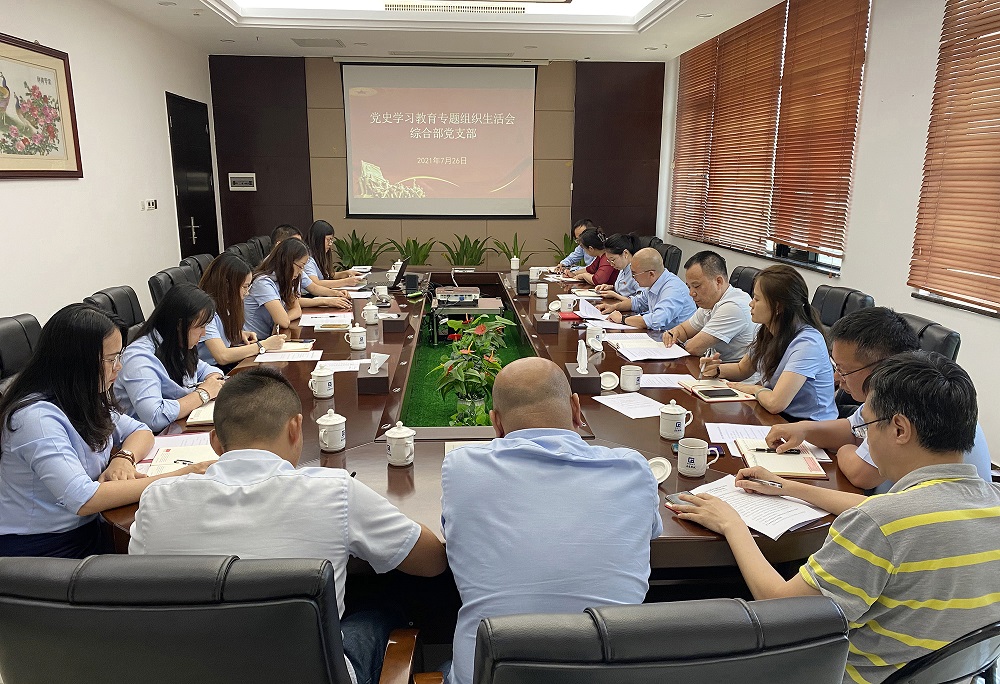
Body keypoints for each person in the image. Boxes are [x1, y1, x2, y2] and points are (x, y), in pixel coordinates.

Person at [671, 352, 1000, 684]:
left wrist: (731, 523)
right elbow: (880, 509)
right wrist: (788, 487)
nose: (863, 438)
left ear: (899, 429)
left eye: (865, 426)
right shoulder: (986, 502)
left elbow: (781, 608)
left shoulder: (880, 524)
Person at [130, 366, 447, 684]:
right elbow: (432, 561)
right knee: (383, 606)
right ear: (296, 428)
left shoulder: (156, 501)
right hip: (310, 674)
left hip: (191, 671)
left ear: (215, 442)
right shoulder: (334, 492)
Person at [442, 357, 662, 684]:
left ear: (496, 423)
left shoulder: (461, 469)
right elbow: (651, 531)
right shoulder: (632, 469)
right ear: (576, 408)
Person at [0, 304, 209, 558]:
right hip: (43, 548)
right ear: (77, 361)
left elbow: (140, 431)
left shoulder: (81, 395)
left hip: (92, 525)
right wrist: (178, 476)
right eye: (111, 359)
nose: (118, 367)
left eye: (119, 356)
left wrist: (124, 458)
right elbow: (83, 498)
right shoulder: (35, 418)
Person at [764, 307, 991, 491]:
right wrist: (804, 429)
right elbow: (852, 429)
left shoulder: (909, 402)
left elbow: (861, 474)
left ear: (879, 368)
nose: (836, 378)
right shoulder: (888, 394)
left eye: (843, 370)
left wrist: (845, 449)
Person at [701, 265, 836, 421]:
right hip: (777, 417)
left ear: (778, 306)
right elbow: (742, 369)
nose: (751, 304)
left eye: (757, 299)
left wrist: (755, 389)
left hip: (810, 426)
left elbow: (775, 403)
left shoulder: (808, 343)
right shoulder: (769, 330)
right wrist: (716, 370)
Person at [114, 284, 226, 433]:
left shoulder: (175, 344)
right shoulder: (138, 358)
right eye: (200, 327)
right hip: (149, 438)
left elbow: (205, 370)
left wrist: (213, 380)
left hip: (176, 426)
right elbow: (155, 417)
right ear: (180, 325)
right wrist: (203, 393)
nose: (204, 333)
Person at [243, 237, 350, 338]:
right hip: (253, 341)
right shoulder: (263, 283)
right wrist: (282, 320)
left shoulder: (285, 279)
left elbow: (296, 310)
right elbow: (283, 321)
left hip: (270, 338)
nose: (301, 272)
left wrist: (283, 319)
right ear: (287, 262)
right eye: (300, 266)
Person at [661, 251, 756, 360]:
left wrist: (679, 339)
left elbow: (694, 348)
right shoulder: (710, 303)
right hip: (714, 366)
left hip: (731, 370)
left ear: (718, 281)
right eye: (689, 287)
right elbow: (684, 330)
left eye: (696, 286)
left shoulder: (733, 307)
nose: (691, 293)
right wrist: (672, 335)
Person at [197, 253, 286, 368]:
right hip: (210, 370)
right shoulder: (204, 310)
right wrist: (263, 345)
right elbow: (222, 356)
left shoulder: (225, 304)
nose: (247, 293)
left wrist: (238, 334)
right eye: (244, 287)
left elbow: (217, 334)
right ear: (227, 285)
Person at [604, 247, 696, 331]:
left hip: (677, 341)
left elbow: (656, 321)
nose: (632, 278)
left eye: (634, 274)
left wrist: (622, 319)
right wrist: (614, 307)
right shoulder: (654, 283)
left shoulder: (673, 289)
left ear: (651, 274)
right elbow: (637, 302)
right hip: (661, 335)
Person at [303, 220, 364, 294]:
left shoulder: (319, 255)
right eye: (328, 240)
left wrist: (345, 273)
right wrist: (345, 282)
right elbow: (316, 283)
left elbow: (329, 275)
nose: (330, 244)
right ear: (318, 239)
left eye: (331, 240)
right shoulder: (307, 258)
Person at [594, 233, 642, 304]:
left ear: (625, 253)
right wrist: (611, 287)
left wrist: (615, 295)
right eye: (609, 261)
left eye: (613, 260)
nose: (611, 264)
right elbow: (626, 290)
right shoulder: (623, 267)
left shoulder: (639, 271)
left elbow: (641, 302)